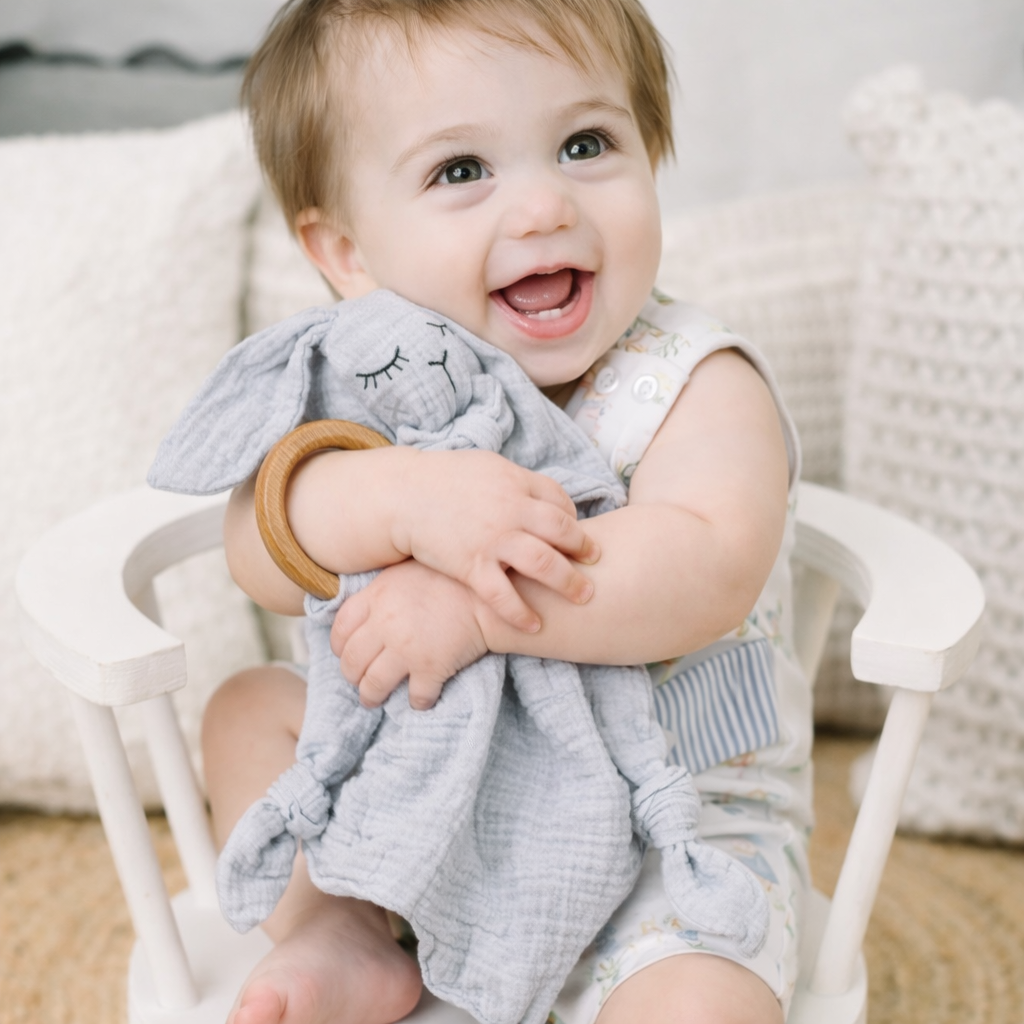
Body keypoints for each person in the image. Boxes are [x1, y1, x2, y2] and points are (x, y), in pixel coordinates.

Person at [201, 2, 811, 1023]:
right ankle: (351, 924)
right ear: (347, 252)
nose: (540, 207)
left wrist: (477, 609)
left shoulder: (693, 380)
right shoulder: (377, 378)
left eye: (584, 145)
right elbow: (251, 548)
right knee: (243, 715)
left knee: (705, 999)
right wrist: (385, 495)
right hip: (436, 802)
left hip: (665, 821)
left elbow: (707, 560)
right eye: (460, 171)